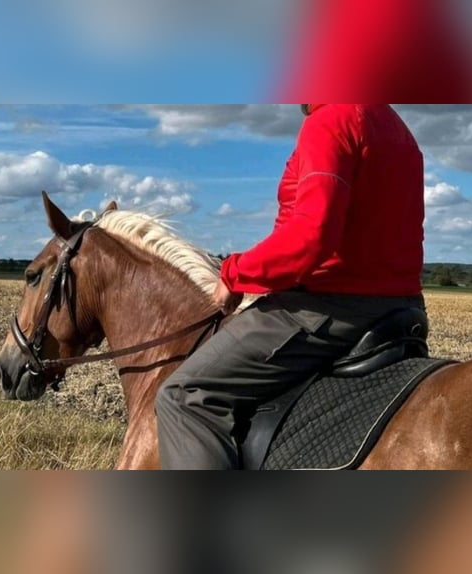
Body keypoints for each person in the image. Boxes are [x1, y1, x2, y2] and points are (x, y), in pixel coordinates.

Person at [156, 104, 426, 470]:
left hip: (329, 306)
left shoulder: (330, 120)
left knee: (184, 394)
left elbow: (311, 238)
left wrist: (234, 274)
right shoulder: (395, 126)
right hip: (402, 308)